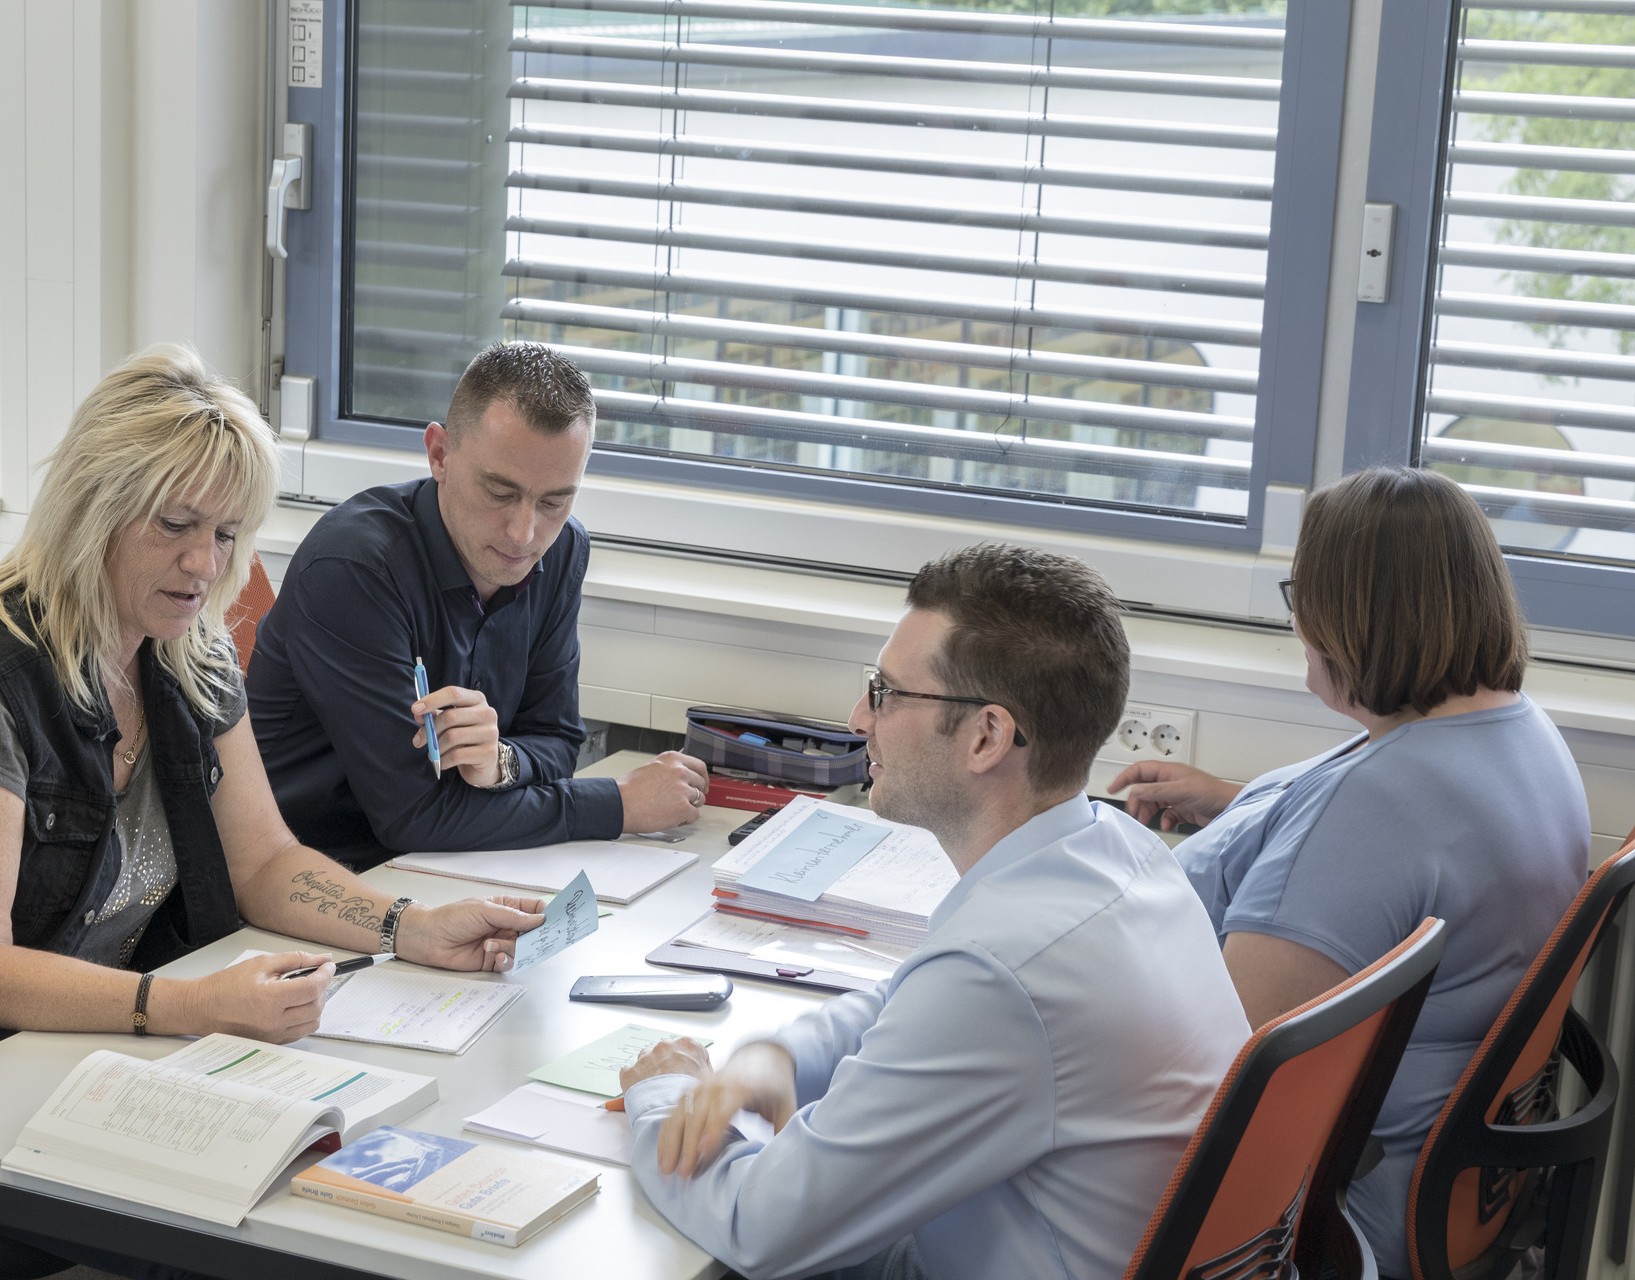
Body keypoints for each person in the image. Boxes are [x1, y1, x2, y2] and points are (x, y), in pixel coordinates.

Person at [0, 347, 543, 1275]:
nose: (203, 563)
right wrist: (189, 1005)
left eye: (225, 533)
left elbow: (261, 861)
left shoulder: (187, 651)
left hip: (69, 1062)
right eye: (174, 525)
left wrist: (407, 926)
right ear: (92, 512)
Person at [617, 544, 1251, 1280]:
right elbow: (913, 997)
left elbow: (760, 1228)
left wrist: (665, 1096)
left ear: (986, 735)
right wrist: (778, 1056)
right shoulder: (1123, 852)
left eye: (886, 693)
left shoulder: (1005, 971)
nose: (859, 718)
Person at [1111, 465, 1589, 1277]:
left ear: (1354, 616)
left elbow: (1213, 1075)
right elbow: (1408, 857)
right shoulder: (1516, 732)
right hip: (1459, 1187)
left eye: (1305, 596)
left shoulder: (1379, 812)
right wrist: (1241, 807)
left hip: (1329, 1211)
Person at [248, 342, 708, 871]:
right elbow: (413, 817)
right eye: (499, 492)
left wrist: (502, 763)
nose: (524, 533)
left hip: (455, 864)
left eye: (554, 501)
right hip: (309, 876)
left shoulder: (561, 550)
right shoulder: (352, 568)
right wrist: (619, 804)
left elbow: (557, 740)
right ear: (440, 455)